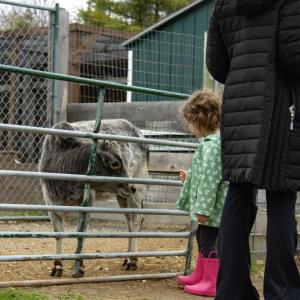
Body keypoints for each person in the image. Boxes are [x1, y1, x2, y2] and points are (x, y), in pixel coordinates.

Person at [206, 0, 300, 299]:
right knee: (282, 196)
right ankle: (282, 290)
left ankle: (232, 290)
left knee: (238, 194)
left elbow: (217, 65)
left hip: (237, 107)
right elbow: (293, 56)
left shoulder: (224, 3)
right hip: (279, 105)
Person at [175, 89, 229, 297]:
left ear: (200, 121)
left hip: (212, 207)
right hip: (211, 205)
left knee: (208, 240)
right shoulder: (210, 144)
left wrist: (203, 208)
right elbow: (206, 173)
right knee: (202, 236)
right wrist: (189, 176)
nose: (190, 127)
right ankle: (201, 275)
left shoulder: (212, 146)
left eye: (190, 122)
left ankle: (212, 281)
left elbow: (211, 180)